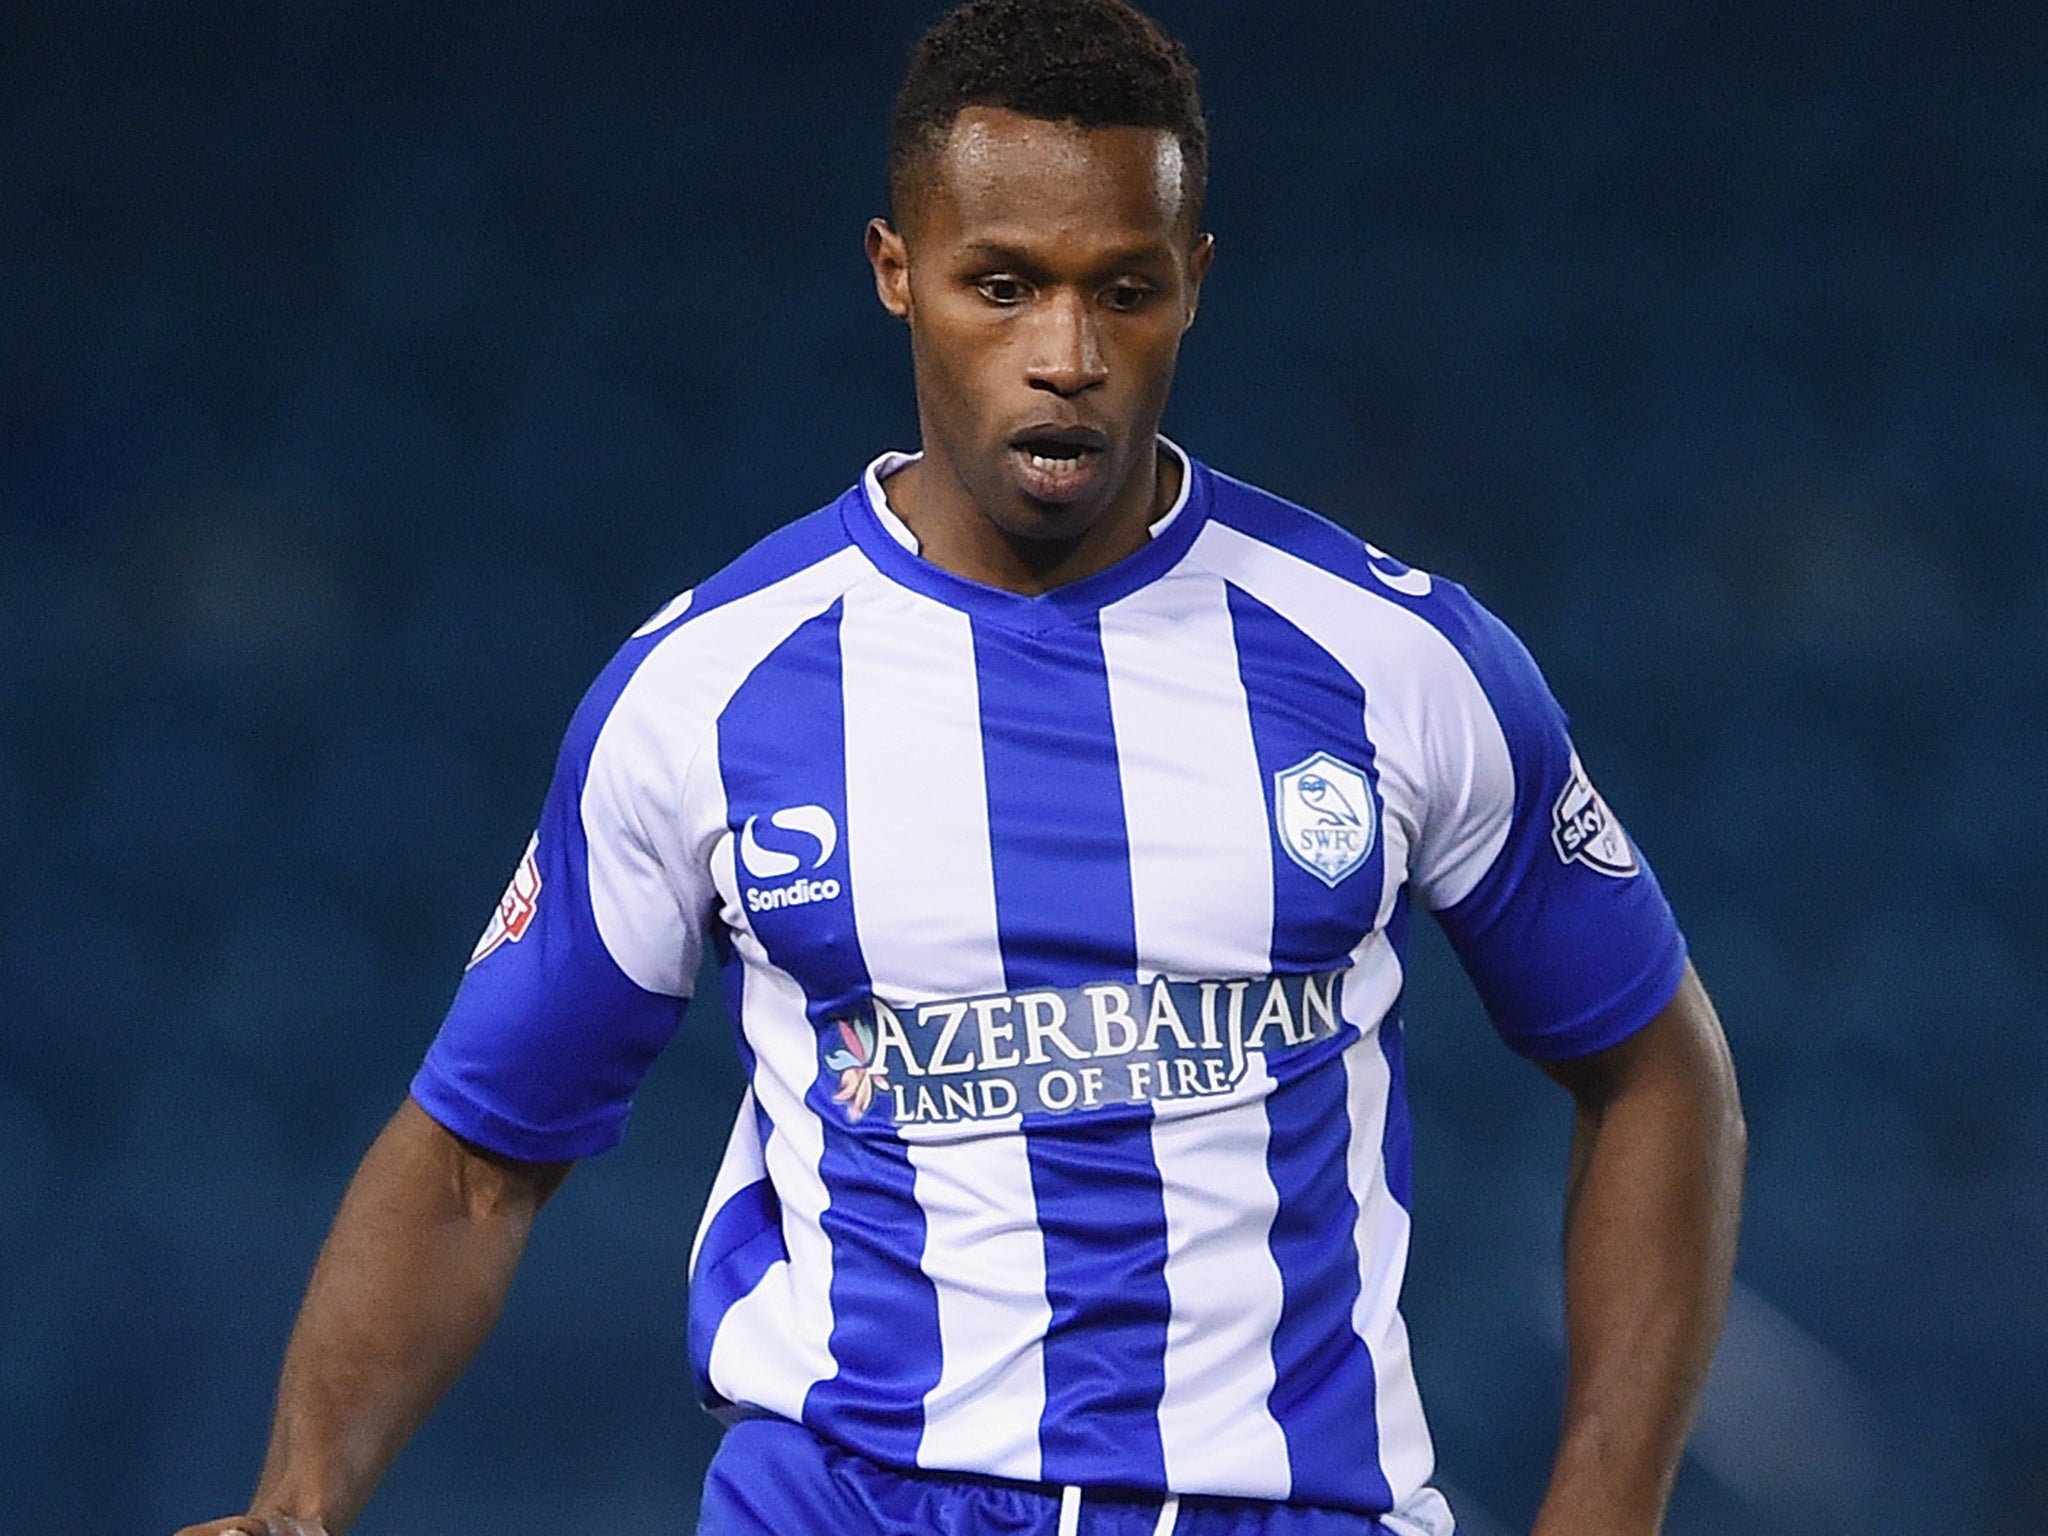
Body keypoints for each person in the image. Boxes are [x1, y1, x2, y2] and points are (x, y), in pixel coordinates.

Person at [177, 1, 1745, 1533]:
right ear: (896, 274)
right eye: (1002, 285)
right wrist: (292, 1511)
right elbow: (472, 1161)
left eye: (1120, 290)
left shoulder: (1399, 662)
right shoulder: (705, 693)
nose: (1064, 354)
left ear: (1192, 287)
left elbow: (1656, 1066)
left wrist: (1605, 1506)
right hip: (847, 1501)